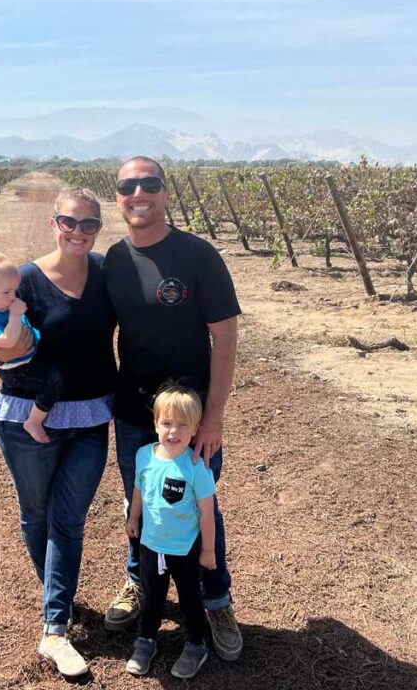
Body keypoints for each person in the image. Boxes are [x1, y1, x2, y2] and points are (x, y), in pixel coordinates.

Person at [0, 187, 116, 678]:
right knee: (36, 514)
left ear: (99, 228)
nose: (77, 232)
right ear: (54, 224)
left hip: (92, 415)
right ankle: (60, 607)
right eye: (68, 222)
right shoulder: (25, 279)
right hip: (27, 416)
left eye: (88, 224)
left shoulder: (106, 275)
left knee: (68, 520)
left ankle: (54, 626)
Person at [103, 156, 244, 661]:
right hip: (136, 414)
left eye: (149, 183)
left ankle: (215, 599)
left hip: (190, 418)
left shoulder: (197, 256)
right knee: (138, 503)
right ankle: (139, 581)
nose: (138, 192)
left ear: (165, 192)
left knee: (198, 503)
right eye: (127, 185)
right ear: (117, 196)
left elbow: (225, 336)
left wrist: (214, 417)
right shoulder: (114, 261)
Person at [125, 386, 217, 679]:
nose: (173, 432)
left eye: (182, 425)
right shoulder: (144, 455)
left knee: (190, 597)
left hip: (185, 548)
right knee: (152, 596)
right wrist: (134, 516)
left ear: (195, 430)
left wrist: (208, 550)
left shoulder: (196, 466)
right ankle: (146, 641)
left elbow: (206, 513)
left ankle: (194, 644)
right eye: (166, 423)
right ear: (155, 424)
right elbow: (139, 489)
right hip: (151, 545)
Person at [0, 250, 58, 443]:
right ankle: (33, 421)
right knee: (53, 385)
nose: (13, 297)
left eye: (14, 290)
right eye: (7, 292)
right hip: (17, 370)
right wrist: (15, 316)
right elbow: (7, 342)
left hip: (26, 360)